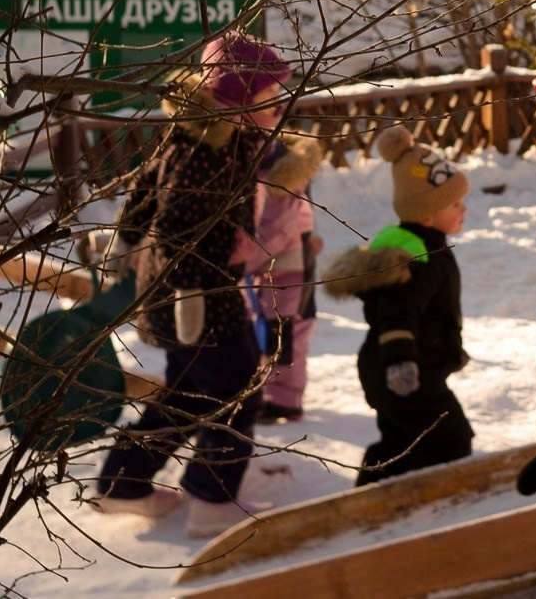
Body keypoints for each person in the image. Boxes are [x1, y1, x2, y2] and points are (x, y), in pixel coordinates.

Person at [93, 29, 289, 539]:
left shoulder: (205, 133)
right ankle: (212, 498)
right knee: (238, 390)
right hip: (199, 299)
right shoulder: (207, 153)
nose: (279, 103)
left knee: (188, 393)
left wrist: (127, 241)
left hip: (180, 293)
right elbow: (178, 226)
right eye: (269, 94)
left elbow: (141, 191)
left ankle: (123, 483)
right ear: (237, 100)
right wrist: (194, 290)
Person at [324, 126, 473, 485]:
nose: (463, 209)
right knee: (450, 437)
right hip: (403, 372)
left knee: (402, 439)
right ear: (426, 216)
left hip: (400, 367)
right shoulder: (416, 258)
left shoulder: (424, 248)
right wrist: (401, 362)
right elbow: (397, 312)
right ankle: (421, 498)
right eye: (454, 204)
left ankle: (375, 489)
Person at [251, 136, 325, 422]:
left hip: (288, 267)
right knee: (276, 328)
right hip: (281, 264)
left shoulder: (281, 181)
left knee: (287, 332)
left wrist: (243, 260)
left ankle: (285, 401)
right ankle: (274, 391)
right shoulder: (278, 175)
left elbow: (274, 233)